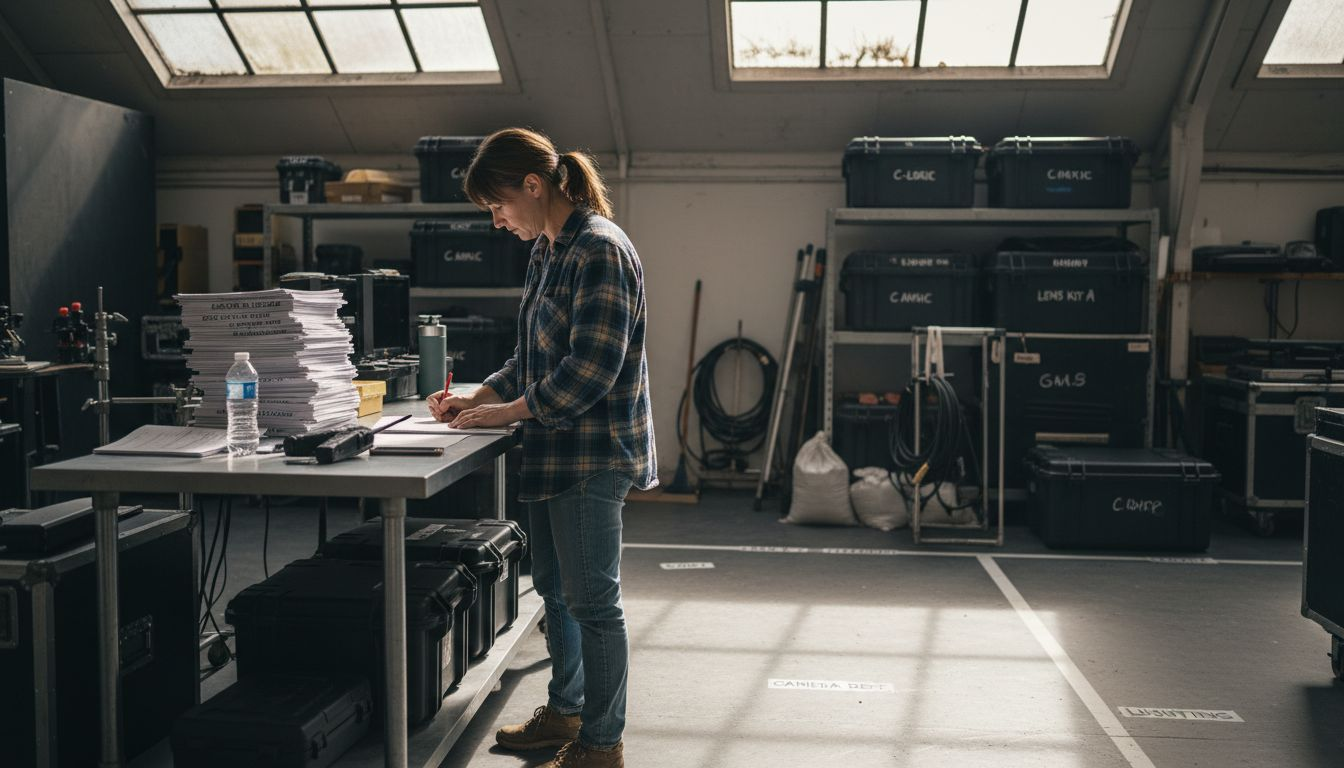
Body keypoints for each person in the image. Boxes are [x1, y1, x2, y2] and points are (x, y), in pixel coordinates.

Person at [427, 127, 656, 768]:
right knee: (556, 592)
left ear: (534, 185)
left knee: (594, 602)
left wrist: (510, 411)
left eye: (498, 206)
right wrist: (478, 397)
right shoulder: (548, 250)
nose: (498, 221)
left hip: (593, 453)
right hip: (554, 451)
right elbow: (532, 357)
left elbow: (591, 369)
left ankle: (601, 745)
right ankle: (566, 709)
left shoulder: (600, 251)